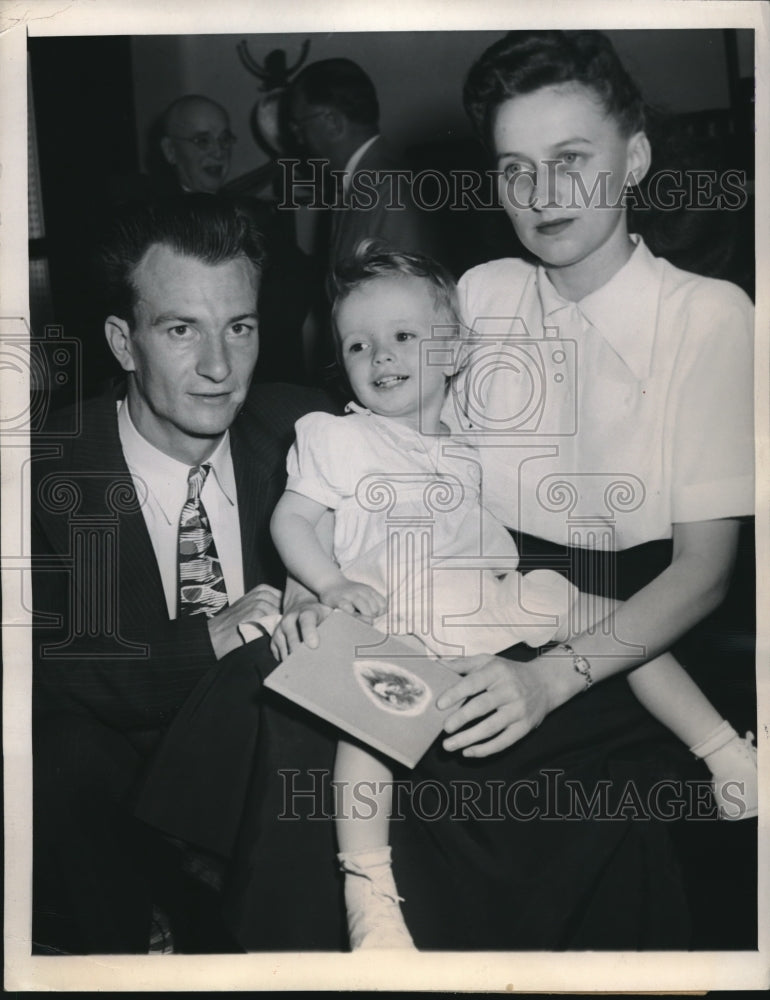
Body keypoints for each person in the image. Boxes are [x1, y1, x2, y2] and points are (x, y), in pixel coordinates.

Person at [269, 241, 756, 950]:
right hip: (395, 607)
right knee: (365, 726)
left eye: (405, 337)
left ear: (455, 352)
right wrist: (328, 585)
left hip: (486, 596)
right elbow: (293, 520)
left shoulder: (467, 443)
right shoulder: (336, 439)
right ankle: (368, 891)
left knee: (609, 617)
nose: (381, 357)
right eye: (358, 345)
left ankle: (724, 752)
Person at [31, 195, 336, 954]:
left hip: (274, 769)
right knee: (64, 752)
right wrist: (209, 641)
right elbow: (50, 670)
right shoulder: (56, 471)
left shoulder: (307, 433)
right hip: (119, 782)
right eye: (180, 329)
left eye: (240, 327)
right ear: (123, 343)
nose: (219, 367)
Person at [286, 58, 439, 271]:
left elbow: (402, 294)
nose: (299, 140)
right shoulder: (359, 181)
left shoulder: (390, 187)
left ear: (332, 122)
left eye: (299, 128)